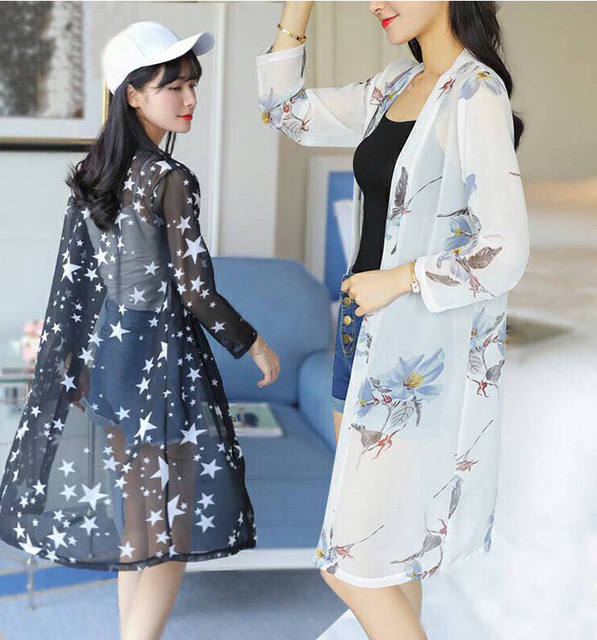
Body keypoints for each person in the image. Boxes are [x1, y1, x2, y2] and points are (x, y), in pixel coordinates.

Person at [0, 21, 280, 640]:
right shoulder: (168, 178)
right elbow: (196, 293)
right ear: (132, 93)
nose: (190, 98)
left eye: (192, 84)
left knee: (141, 523)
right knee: (172, 530)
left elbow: (78, 284)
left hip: (115, 366)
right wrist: (253, 342)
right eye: (173, 86)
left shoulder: (95, 174)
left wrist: (75, 366)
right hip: (162, 367)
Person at [256, 2, 528, 638]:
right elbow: (285, 111)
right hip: (359, 335)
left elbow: (505, 250)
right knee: (387, 559)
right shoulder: (393, 85)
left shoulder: (476, 94)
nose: (376, 1)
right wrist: (299, 7)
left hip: (414, 357)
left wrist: (401, 279)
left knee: (351, 567)